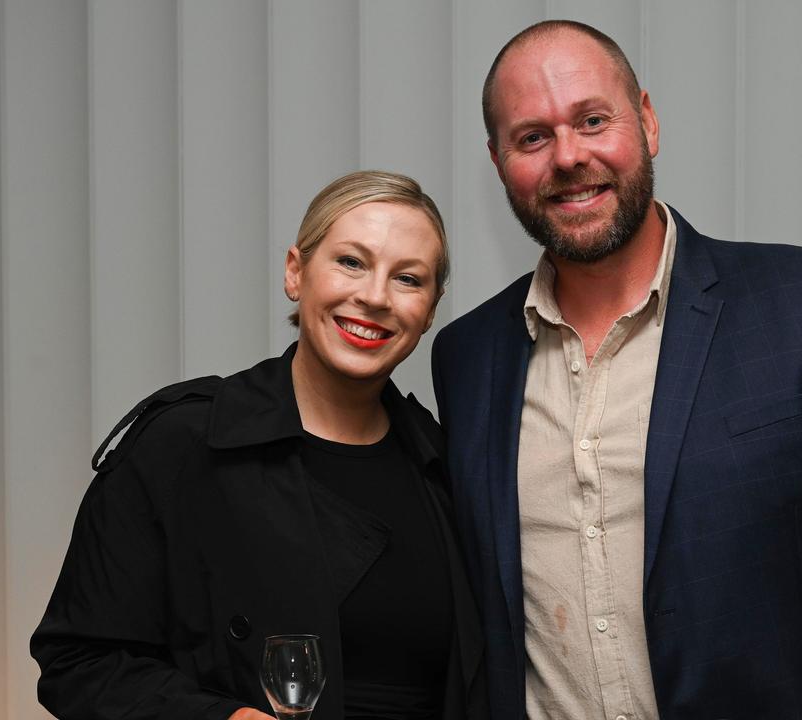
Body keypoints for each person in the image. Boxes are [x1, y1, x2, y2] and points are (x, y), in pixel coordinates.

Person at [430, 20, 802, 720]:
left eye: (593, 119)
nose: (568, 156)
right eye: (533, 136)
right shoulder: (469, 359)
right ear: (499, 160)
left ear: (646, 122)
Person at [32, 171, 487, 720]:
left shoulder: (445, 462)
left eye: (408, 279)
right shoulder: (184, 440)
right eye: (351, 262)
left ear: (431, 310)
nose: (374, 296)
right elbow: (78, 663)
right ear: (296, 273)